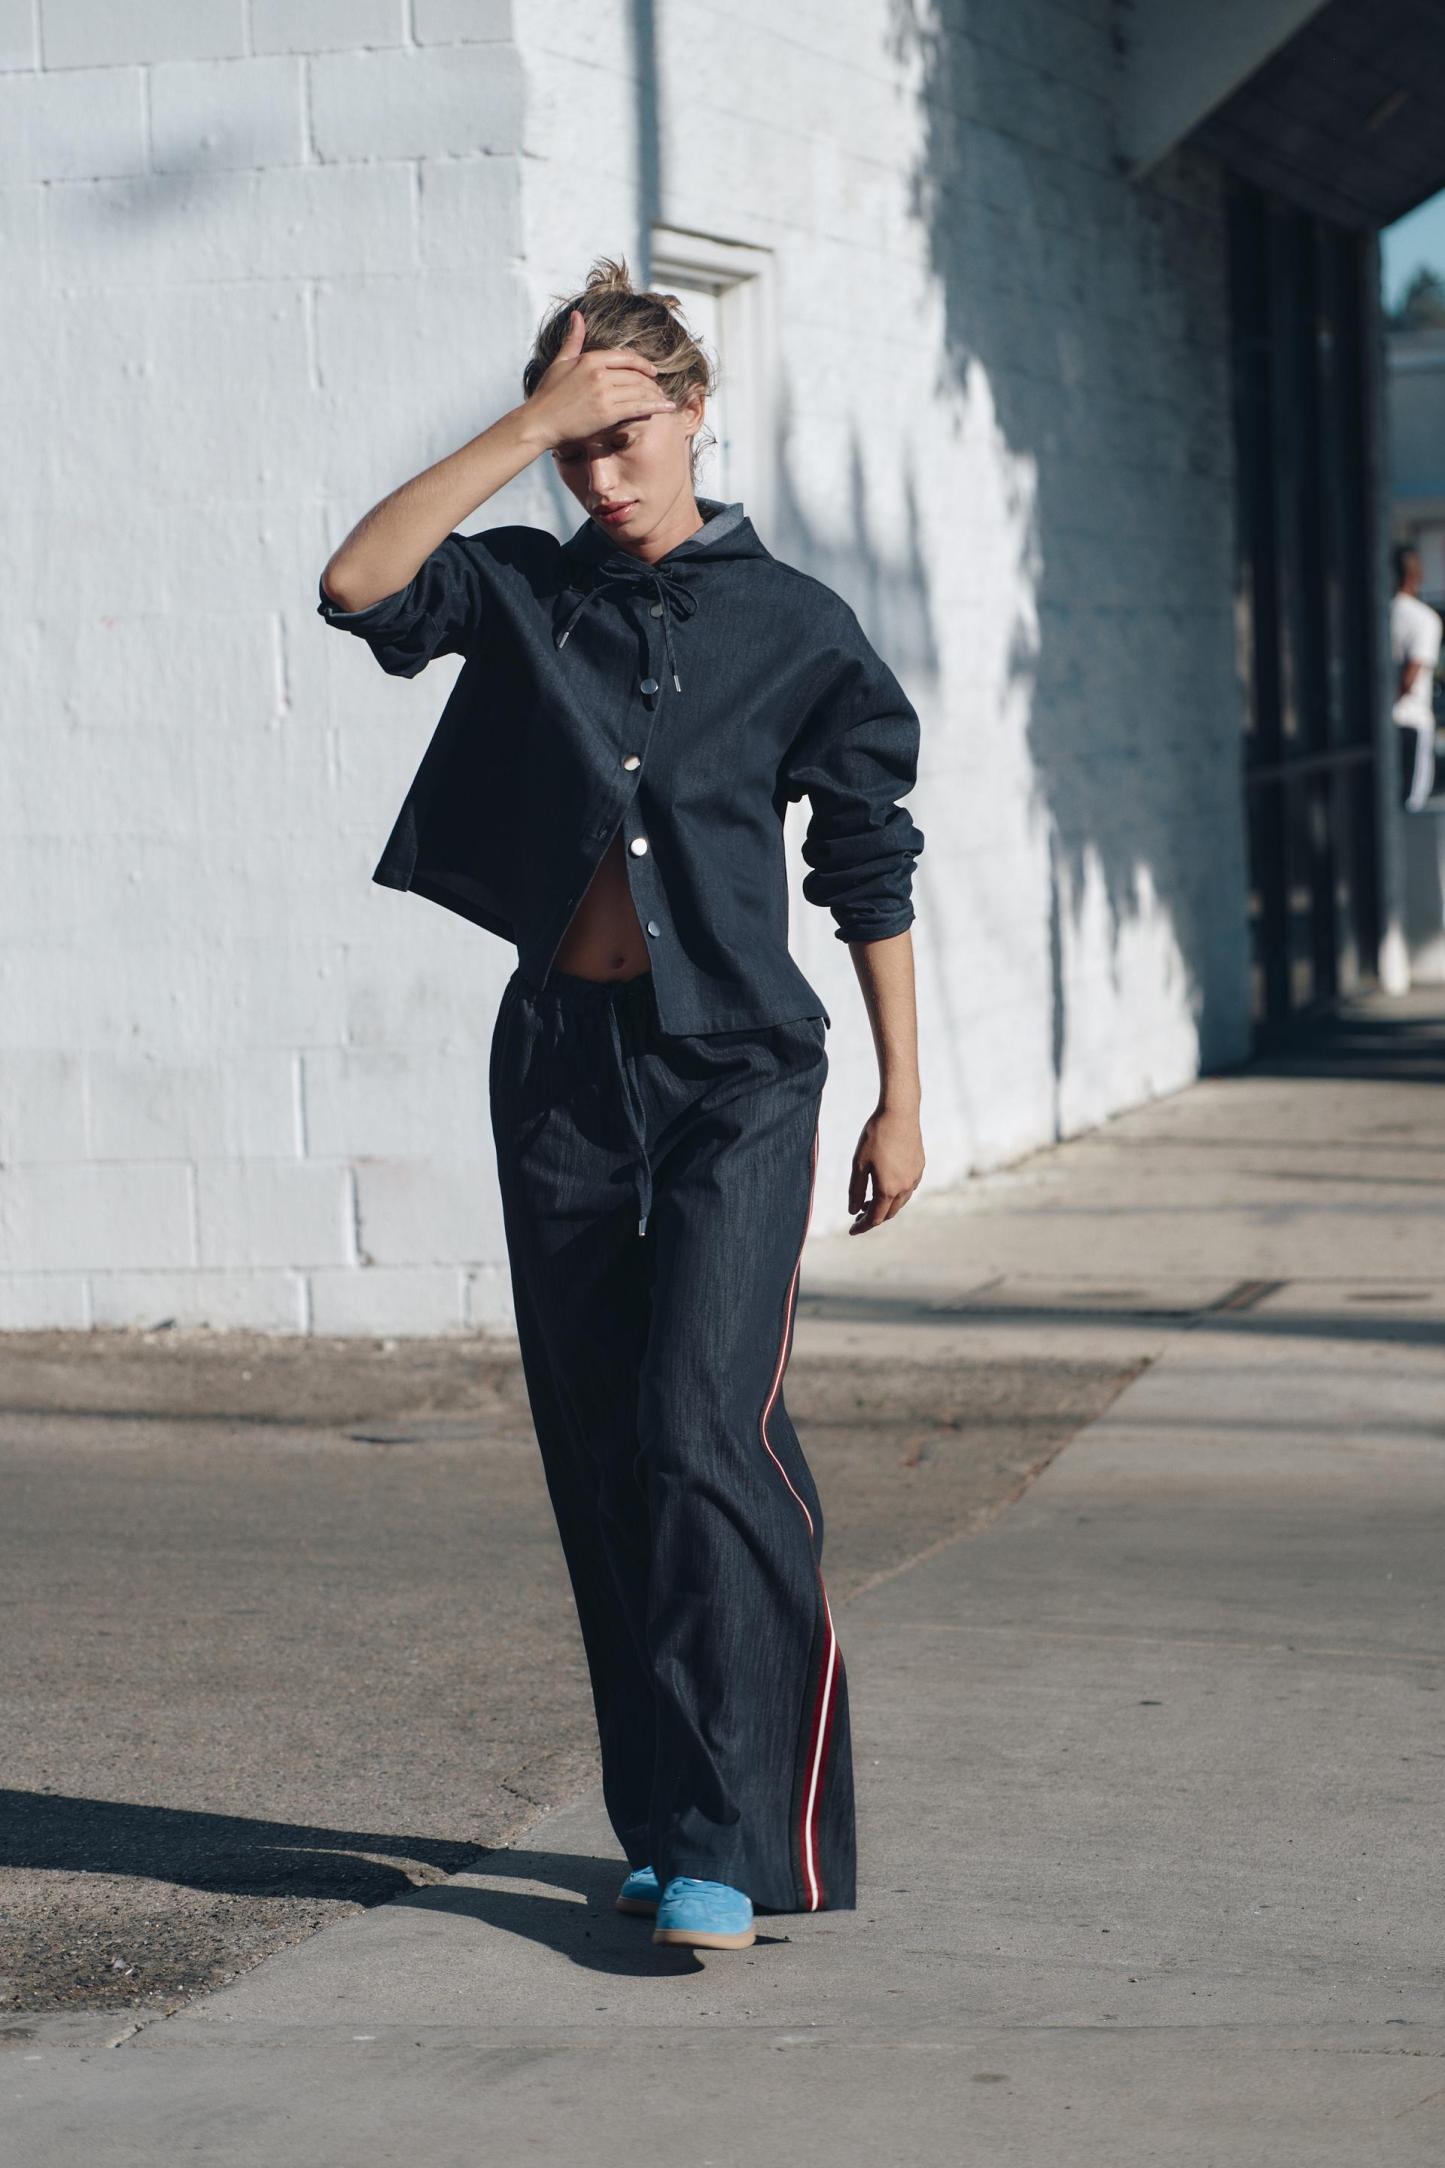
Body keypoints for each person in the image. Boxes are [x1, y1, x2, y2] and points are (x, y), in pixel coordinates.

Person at [316, 256, 925, 1954]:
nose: (604, 471)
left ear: (695, 413)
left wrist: (902, 1098)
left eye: (628, 432)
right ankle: (662, 1820)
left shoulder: (798, 626)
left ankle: (740, 1832)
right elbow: (358, 584)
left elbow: (867, 862)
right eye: (580, 444)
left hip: (739, 1072)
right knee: (602, 1447)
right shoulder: (525, 588)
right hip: (561, 1068)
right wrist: (526, 425)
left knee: (702, 1425)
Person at [1390, 542, 1442, 812]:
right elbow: (1411, 675)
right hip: (1411, 718)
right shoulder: (1424, 619)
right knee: (1411, 804)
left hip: (1380, 724)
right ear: (1416, 575)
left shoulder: (1380, 613)